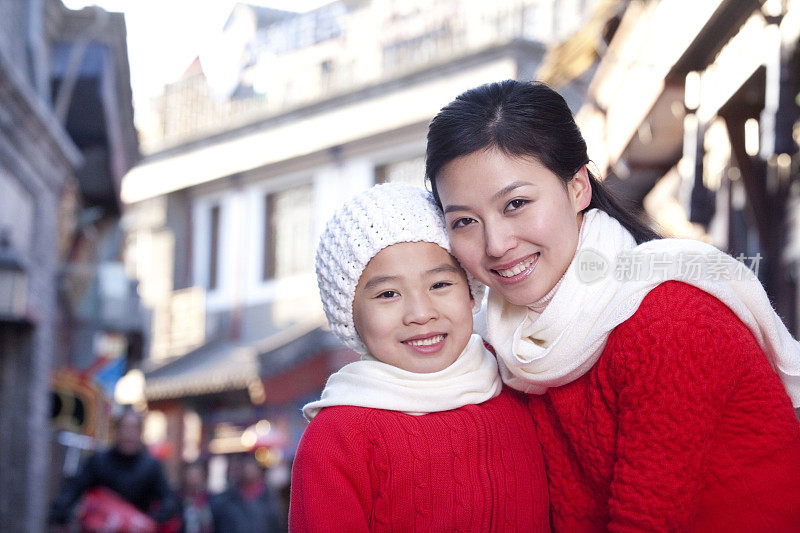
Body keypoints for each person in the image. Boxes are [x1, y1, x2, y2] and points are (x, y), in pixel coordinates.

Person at [425, 79, 800, 531]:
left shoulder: (670, 318)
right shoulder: (512, 346)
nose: (496, 244)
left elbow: (646, 521)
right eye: (464, 221)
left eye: (516, 203)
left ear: (578, 188)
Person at [289, 182, 549, 532]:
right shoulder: (338, 438)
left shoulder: (522, 381)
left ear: (472, 292)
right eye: (388, 293)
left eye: (440, 285)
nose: (420, 313)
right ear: (350, 315)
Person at [50, 407, 181, 530]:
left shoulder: (151, 466)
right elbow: (74, 487)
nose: (128, 435)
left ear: (140, 433)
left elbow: (168, 499)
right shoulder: (99, 461)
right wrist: (60, 510)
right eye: (124, 428)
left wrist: (153, 519)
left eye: (133, 429)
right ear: (116, 431)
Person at [211, 454, 284, 533]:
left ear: (258, 470)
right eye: (245, 466)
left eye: (251, 466)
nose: (248, 470)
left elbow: (278, 524)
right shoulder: (226, 499)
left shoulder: (271, 497)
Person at [179, 462, 213, 533]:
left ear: (203, 476)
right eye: (190, 475)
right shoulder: (179, 498)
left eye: (196, 475)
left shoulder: (211, 499)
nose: (193, 478)